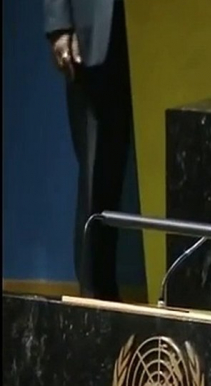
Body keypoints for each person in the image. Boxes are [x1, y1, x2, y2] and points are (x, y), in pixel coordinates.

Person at [44, 0, 133, 301]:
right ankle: (96, 301)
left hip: (176, 30)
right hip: (95, 31)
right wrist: (59, 24)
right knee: (98, 177)